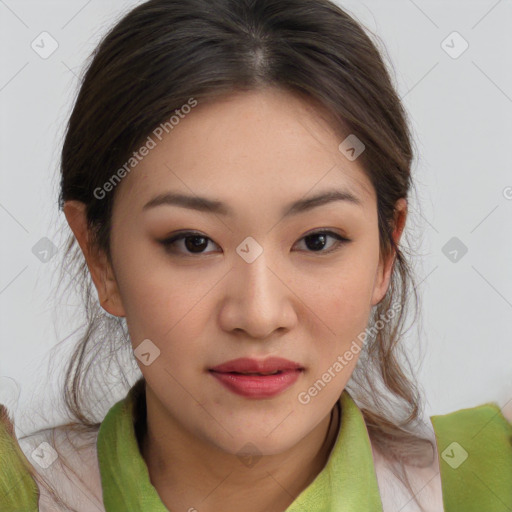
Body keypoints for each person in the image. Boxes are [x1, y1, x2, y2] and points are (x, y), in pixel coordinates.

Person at [1, 0, 511, 511]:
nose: (259, 315)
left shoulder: (488, 482)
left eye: (317, 240)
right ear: (100, 257)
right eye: (193, 242)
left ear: (385, 251)